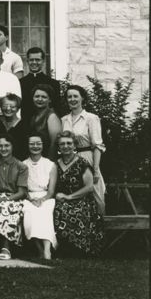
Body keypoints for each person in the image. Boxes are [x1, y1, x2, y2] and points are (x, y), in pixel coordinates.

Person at [52, 131, 104, 255]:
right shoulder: (55, 164)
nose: (66, 146)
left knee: (70, 211)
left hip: (82, 200)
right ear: (58, 147)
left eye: (69, 143)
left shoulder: (82, 163)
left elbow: (90, 187)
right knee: (55, 210)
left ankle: (78, 249)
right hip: (62, 200)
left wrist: (69, 197)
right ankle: (61, 248)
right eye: (62, 144)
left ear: (75, 146)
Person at [61, 84, 106, 212]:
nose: (72, 99)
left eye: (75, 96)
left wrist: (96, 169)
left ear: (82, 99)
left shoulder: (91, 118)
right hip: (69, 160)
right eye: (69, 96)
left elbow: (97, 145)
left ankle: (100, 227)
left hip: (87, 158)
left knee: (96, 196)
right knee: (74, 196)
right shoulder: (64, 120)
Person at [21, 134, 58, 261]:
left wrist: (42, 200)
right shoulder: (22, 165)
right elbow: (22, 188)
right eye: (32, 143)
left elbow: (51, 190)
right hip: (28, 197)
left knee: (45, 213)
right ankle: (39, 249)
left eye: (38, 143)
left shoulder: (51, 165)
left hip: (46, 197)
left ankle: (47, 251)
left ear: (43, 145)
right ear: (27, 145)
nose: (35, 146)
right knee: (29, 215)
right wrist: (31, 200)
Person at [19, 47, 56, 121]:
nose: (34, 62)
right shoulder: (20, 83)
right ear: (27, 61)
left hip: (46, 123)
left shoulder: (53, 83)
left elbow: (56, 108)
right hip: (25, 123)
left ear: (43, 61)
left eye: (37, 60)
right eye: (31, 60)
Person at [27, 84, 62, 158]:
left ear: (50, 100)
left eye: (44, 97)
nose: (40, 99)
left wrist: (49, 163)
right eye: (37, 96)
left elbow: (55, 143)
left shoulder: (52, 117)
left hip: (48, 159)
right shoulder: (34, 116)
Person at [0, 93, 30, 160]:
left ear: (18, 109)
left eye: (12, 107)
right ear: (1, 107)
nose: (8, 108)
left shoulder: (25, 126)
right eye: (5, 106)